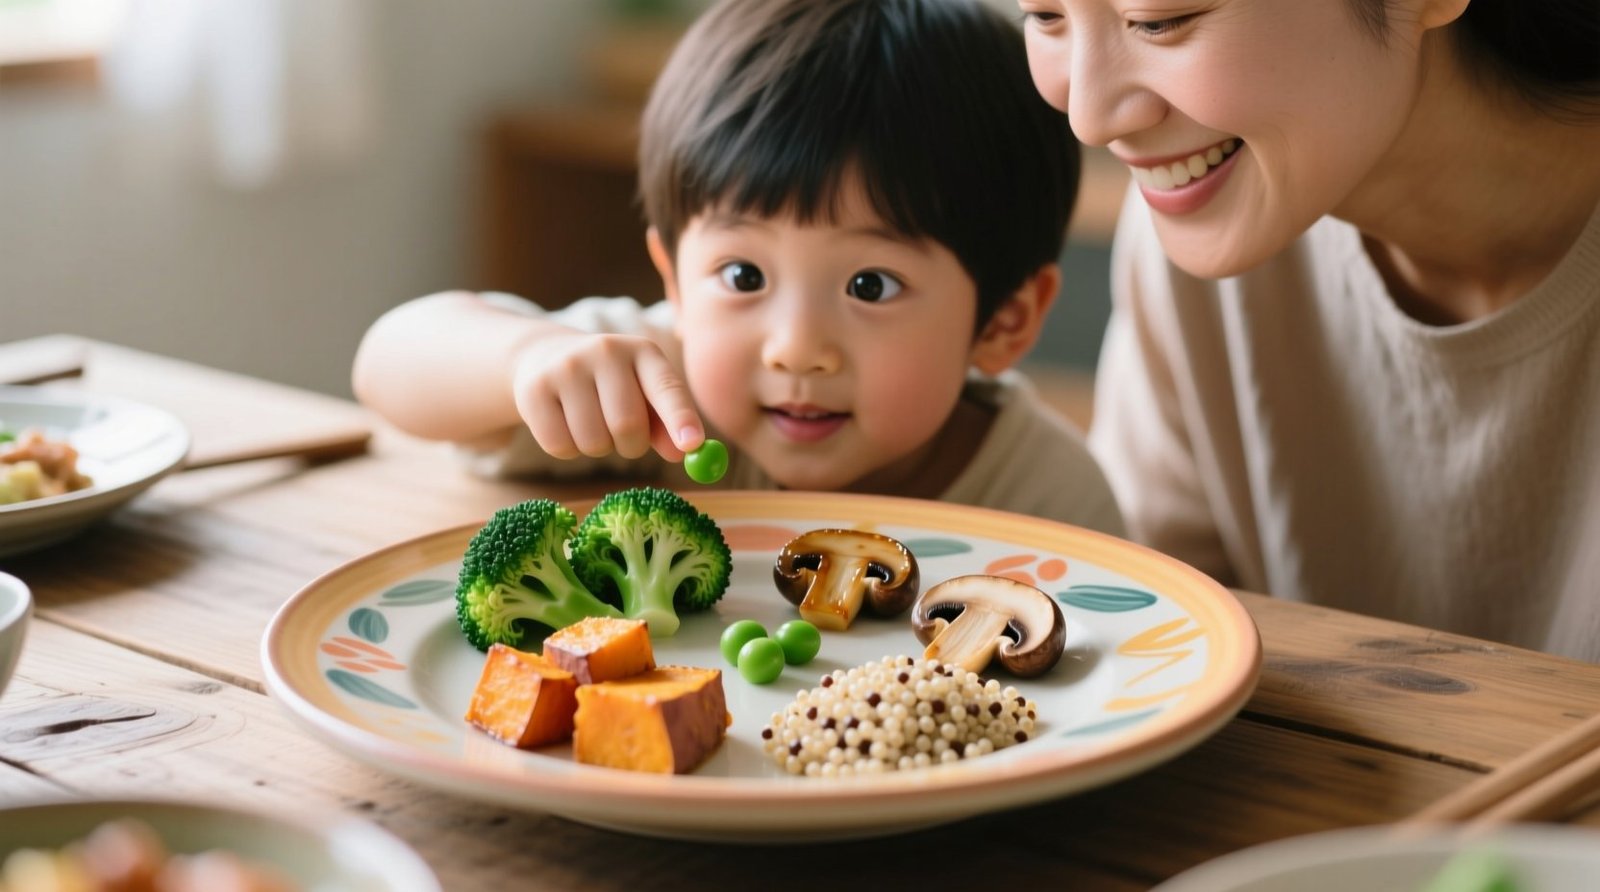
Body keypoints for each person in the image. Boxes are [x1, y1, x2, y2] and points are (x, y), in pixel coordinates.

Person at [352, 0, 1125, 536]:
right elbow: (390, 361)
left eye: (870, 286)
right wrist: (526, 357)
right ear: (675, 281)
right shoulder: (648, 392)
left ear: (1004, 321)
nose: (795, 347)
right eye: (744, 277)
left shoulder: (1048, 499)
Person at [1017, 0, 1600, 657]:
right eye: (1043, 15)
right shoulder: (1205, 226)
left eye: (1160, 19)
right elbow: (1141, 636)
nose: (1088, 116)